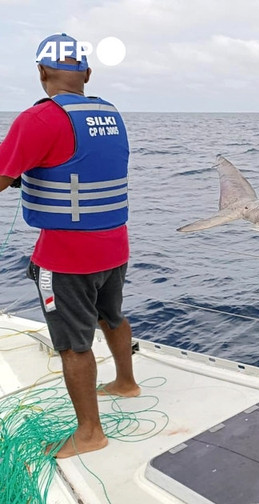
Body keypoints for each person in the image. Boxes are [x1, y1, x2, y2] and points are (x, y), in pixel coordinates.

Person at [0, 33, 139, 458]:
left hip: (65, 259)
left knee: (71, 344)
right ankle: (126, 383)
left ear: (41, 72)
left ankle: (90, 432)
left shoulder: (37, 119)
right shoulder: (110, 114)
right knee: (112, 316)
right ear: (87, 74)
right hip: (115, 247)